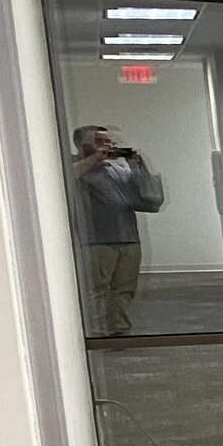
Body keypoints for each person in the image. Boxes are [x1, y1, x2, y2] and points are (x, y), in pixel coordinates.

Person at [70, 125, 164, 336]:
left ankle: (119, 331)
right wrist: (95, 158)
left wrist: (137, 165)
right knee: (96, 290)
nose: (105, 145)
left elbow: (148, 197)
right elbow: (67, 177)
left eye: (107, 141)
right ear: (80, 143)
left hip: (128, 238)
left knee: (124, 289)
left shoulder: (116, 170)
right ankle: (96, 334)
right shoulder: (72, 165)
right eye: (98, 141)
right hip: (94, 241)